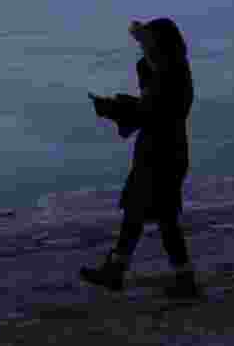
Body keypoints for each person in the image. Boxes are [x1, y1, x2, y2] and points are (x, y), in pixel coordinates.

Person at [81, 18, 204, 301]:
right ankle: (120, 271)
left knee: (159, 217)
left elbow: (150, 112)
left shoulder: (169, 75)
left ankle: (180, 279)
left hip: (161, 156)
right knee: (142, 214)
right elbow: (150, 109)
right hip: (162, 153)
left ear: (161, 45)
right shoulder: (172, 71)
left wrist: (113, 108)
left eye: (148, 43)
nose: (144, 49)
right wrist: (124, 105)